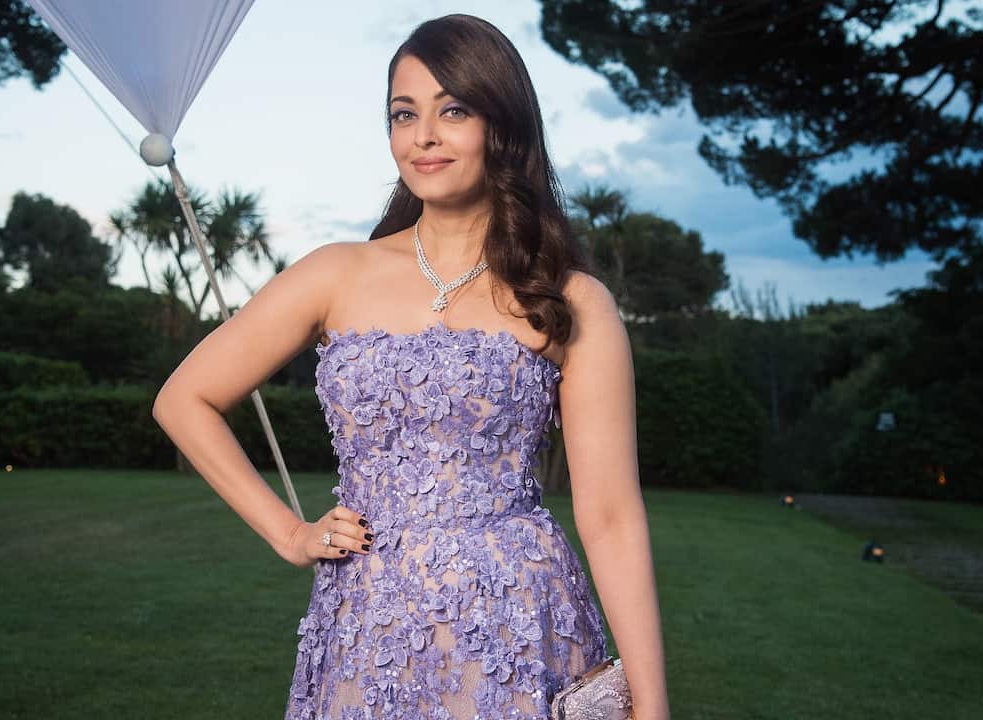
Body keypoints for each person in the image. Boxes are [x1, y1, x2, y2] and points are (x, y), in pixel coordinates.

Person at [151, 13, 668, 720]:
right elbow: (184, 399)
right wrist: (291, 533)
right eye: (404, 113)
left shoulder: (571, 299)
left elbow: (609, 515)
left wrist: (652, 705)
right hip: (368, 624)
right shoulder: (336, 273)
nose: (423, 135)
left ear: (502, 125)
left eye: (452, 109)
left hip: (517, 625)